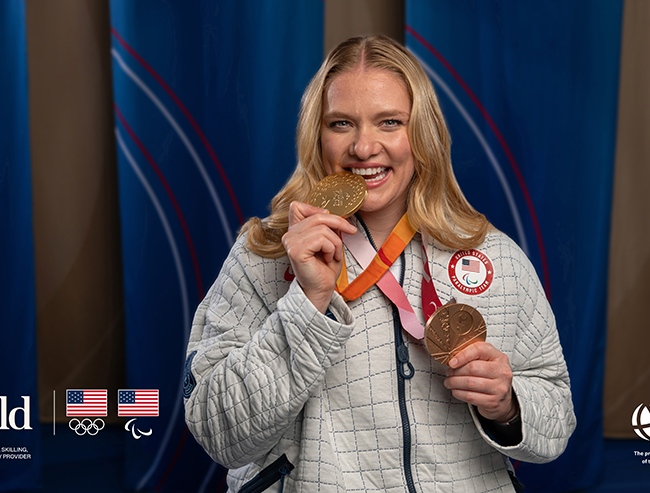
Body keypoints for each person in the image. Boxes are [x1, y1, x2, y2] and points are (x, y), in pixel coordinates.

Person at [183, 35, 575, 493]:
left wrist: (508, 404)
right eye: (342, 123)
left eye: (389, 122)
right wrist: (308, 304)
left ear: (422, 133)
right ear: (317, 135)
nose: (364, 147)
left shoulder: (494, 255)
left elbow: (558, 417)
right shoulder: (264, 255)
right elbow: (217, 432)